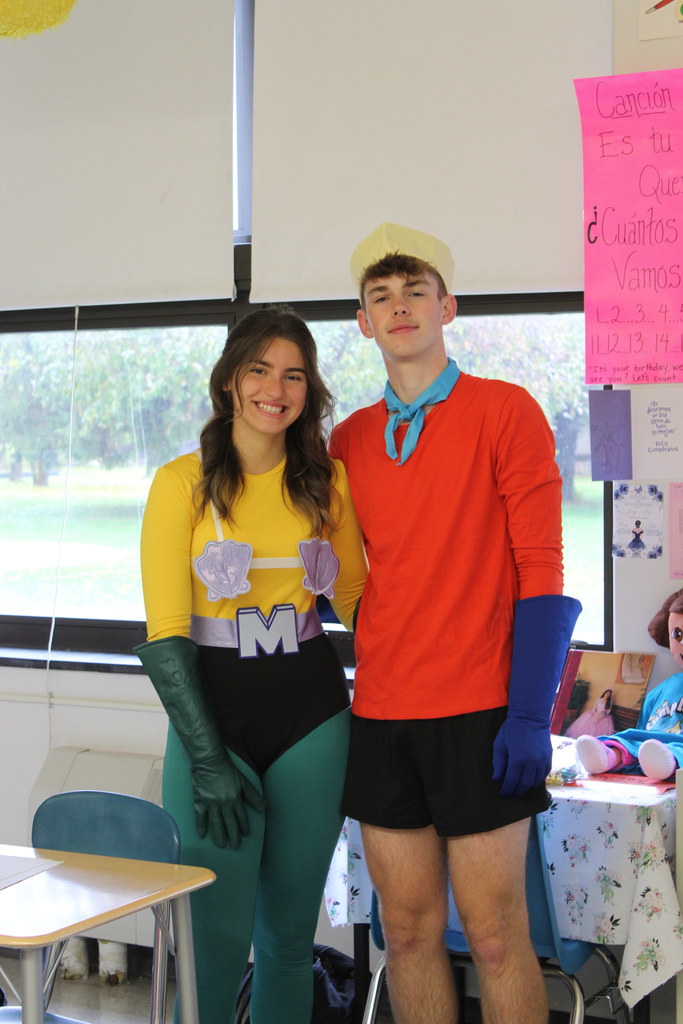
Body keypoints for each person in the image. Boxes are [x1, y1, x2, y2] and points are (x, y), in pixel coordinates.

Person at [329, 223, 581, 1024]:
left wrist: (525, 713)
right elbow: (347, 580)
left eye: (414, 291)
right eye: (380, 296)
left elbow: (542, 573)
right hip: (380, 715)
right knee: (404, 932)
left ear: (448, 307)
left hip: (480, 714)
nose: (398, 307)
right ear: (363, 321)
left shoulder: (506, 413)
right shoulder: (347, 441)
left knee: (498, 935)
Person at [134, 306, 367, 1024]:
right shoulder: (181, 485)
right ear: (231, 381)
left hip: (313, 719)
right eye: (260, 369)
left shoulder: (327, 482)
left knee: (289, 944)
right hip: (214, 723)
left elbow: (361, 607)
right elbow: (168, 634)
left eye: (294, 374)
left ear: (310, 390)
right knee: (210, 944)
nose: (277, 387)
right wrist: (205, 758)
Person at [576, 588, 683, 780]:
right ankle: (607, 756)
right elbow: (642, 728)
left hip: (677, 747)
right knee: (628, 740)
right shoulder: (665, 687)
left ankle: (665, 764)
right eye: (678, 635)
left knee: (676, 750)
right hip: (650, 745)